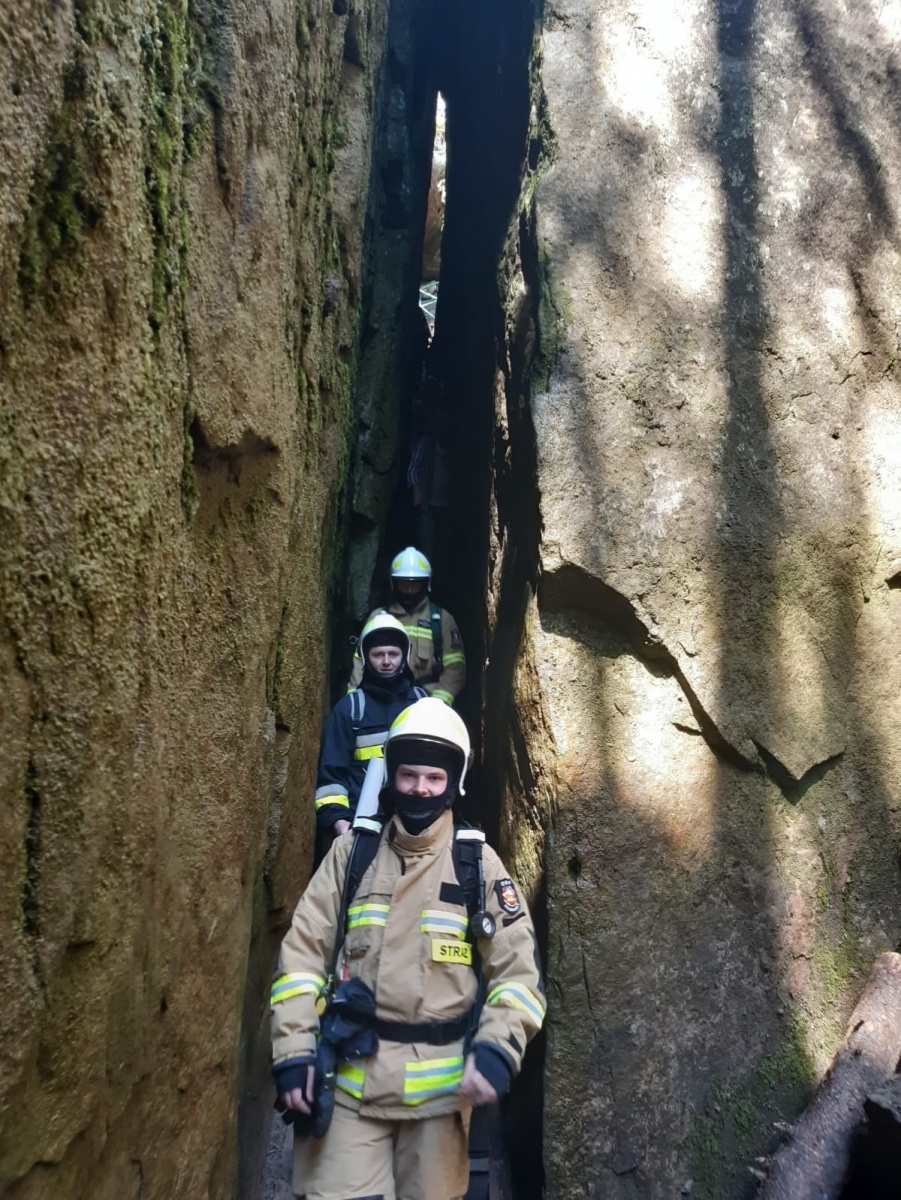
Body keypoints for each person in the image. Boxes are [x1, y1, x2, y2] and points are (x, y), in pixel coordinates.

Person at [271, 698, 545, 1200]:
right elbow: (302, 956)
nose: (421, 788)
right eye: (409, 775)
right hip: (350, 1085)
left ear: (453, 783)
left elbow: (518, 973)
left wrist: (497, 1049)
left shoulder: (477, 865)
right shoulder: (352, 854)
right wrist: (293, 1049)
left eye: (434, 778)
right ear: (391, 777)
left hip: (440, 1102)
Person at [314, 614, 426, 838]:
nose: (386, 661)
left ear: (404, 656)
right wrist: (340, 823)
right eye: (378, 654)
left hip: (415, 826)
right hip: (363, 827)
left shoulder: (422, 703)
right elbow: (331, 777)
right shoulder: (350, 709)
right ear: (366, 657)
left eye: (393, 654)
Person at [347, 547, 466, 707]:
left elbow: (456, 667)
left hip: (426, 699)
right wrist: (354, 701)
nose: (410, 590)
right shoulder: (378, 617)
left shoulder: (441, 619)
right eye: (404, 584)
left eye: (415, 584)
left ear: (425, 584)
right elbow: (360, 661)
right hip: (383, 700)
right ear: (394, 584)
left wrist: (438, 702)